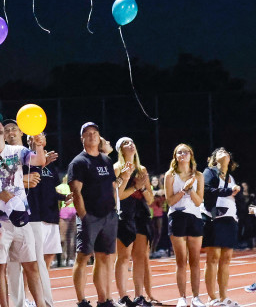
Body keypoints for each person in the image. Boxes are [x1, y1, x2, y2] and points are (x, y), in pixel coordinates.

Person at [0, 113, 48, 307]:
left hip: (21, 219)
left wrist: (39, 144)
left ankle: (41, 305)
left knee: (31, 266)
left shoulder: (17, 150)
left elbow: (39, 161)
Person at [68, 122, 122, 307]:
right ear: (82, 138)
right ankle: (81, 300)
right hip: (90, 216)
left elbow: (111, 187)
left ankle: (103, 299)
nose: (91, 136)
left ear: (99, 137)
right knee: (83, 257)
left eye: (95, 133)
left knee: (104, 257)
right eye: (87, 133)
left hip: (109, 216)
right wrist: (84, 216)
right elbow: (76, 191)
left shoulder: (106, 160)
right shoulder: (78, 162)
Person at [113, 137, 156, 307]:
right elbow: (118, 195)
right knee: (123, 257)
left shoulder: (142, 169)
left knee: (140, 257)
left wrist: (144, 187)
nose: (130, 145)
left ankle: (140, 296)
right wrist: (134, 186)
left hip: (141, 215)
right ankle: (123, 296)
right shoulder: (117, 168)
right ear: (120, 150)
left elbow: (151, 199)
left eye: (132, 142)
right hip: (125, 214)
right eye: (125, 143)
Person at [24, 132, 64, 307]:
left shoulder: (50, 165)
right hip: (35, 216)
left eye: (40, 136)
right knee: (32, 261)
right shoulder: (24, 159)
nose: (36, 138)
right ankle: (26, 298)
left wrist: (63, 197)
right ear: (27, 140)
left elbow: (50, 189)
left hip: (51, 216)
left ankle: (40, 296)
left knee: (46, 260)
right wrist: (42, 163)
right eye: (32, 136)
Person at [164, 143, 205, 307]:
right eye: (179, 152)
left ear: (191, 155)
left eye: (186, 152)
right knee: (181, 260)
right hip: (177, 216)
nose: (183, 155)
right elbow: (170, 201)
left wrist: (191, 189)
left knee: (195, 260)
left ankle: (196, 297)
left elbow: (198, 201)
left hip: (194, 217)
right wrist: (183, 189)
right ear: (175, 156)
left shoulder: (199, 176)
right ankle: (182, 297)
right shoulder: (170, 175)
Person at [202, 147, 240, 307]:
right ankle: (212, 297)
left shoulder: (231, 177)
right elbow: (206, 190)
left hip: (230, 219)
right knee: (213, 258)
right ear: (214, 158)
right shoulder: (209, 172)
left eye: (226, 151)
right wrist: (228, 191)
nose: (224, 152)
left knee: (226, 259)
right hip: (213, 217)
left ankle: (224, 297)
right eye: (220, 151)